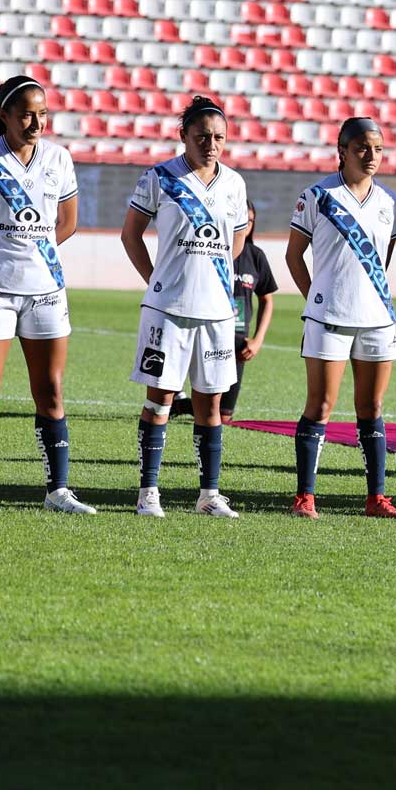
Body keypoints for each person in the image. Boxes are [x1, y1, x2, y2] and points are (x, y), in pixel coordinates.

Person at [0, 75, 89, 514]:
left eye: (43, 113)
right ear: (4, 115)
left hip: (46, 291)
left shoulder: (59, 159)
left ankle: (57, 491)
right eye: (27, 112)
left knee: (51, 390)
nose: (36, 122)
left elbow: (67, 222)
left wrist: (36, 255)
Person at [120, 97, 248, 519]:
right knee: (160, 400)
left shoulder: (234, 183)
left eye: (218, 137)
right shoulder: (159, 177)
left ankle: (209, 494)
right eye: (202, 137)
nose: (210, 144)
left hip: (216, 313)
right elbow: (131, 235)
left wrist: (218, 278)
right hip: (167, 310)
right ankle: (148, 493)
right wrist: (157, 279)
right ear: (183, 137)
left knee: (210, 404)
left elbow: (238, 239)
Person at [287, 117, 396, 519]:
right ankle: (305, 496)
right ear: (342, 151)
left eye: (378, 148)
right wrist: (317, 298)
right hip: (327, 319)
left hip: (377, 319)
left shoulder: (389, 202)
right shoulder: (318, 196)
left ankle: (376, 498)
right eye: (362, 148)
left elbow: (383, 259)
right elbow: (293, 256)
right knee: (320, 405)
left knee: (371, 407)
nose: (371, 156)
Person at [184, 200, 276, 423]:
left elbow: (267, 299)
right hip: (208, 331)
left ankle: (182, 405)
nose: (246, 225)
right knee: (207, 402)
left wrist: (257, 340)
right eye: (242, 219)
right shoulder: (212, 250)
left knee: (224, 416)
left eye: (251, 220)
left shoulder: (256, 256)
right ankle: (180, 402)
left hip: (238, 341)